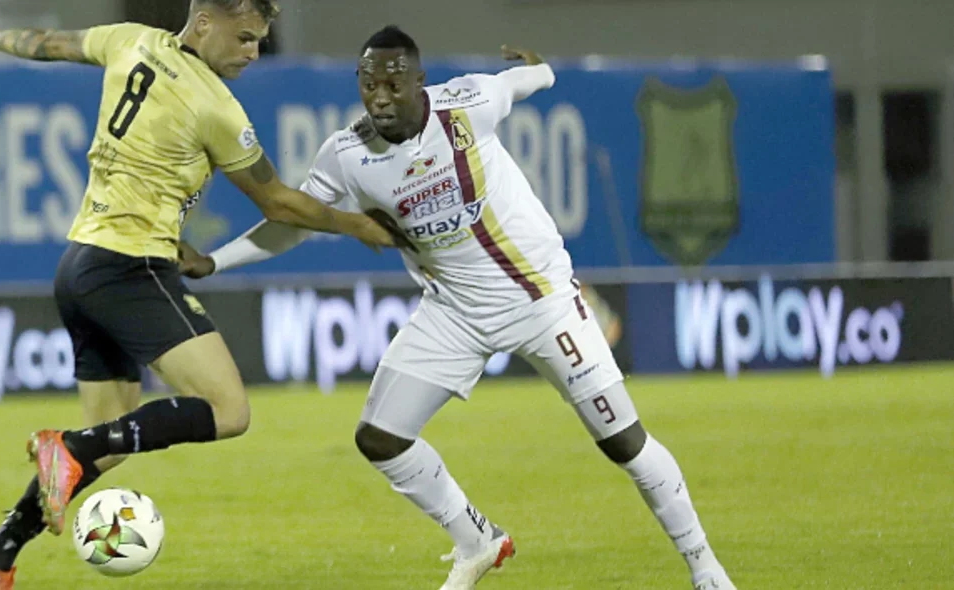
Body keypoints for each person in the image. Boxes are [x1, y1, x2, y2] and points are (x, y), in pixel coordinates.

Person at [178, 26, 737, 590]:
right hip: (453, 313)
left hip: (541, 300)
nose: (379, 98)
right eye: (369, 85)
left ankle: (705, 569)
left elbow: (521, 83)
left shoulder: (468, 103)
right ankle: (477, 540)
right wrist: (215, 262)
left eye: (393, 85)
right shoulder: (346, 155)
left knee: (624, 442)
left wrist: (540, 69)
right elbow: (290, 223)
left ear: (421, 84)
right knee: (380, 437)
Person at [0, 4, 411, 589]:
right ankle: (68, 447)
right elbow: (279, 202)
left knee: (111, 443)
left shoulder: (127, 40)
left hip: (79, 266)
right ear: (203, 21)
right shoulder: (216, 105)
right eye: (244, 38)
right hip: (133, 266)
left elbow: (48, 43)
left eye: (260, 41)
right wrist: (356, 223)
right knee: (229, 411)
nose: (253, 53)